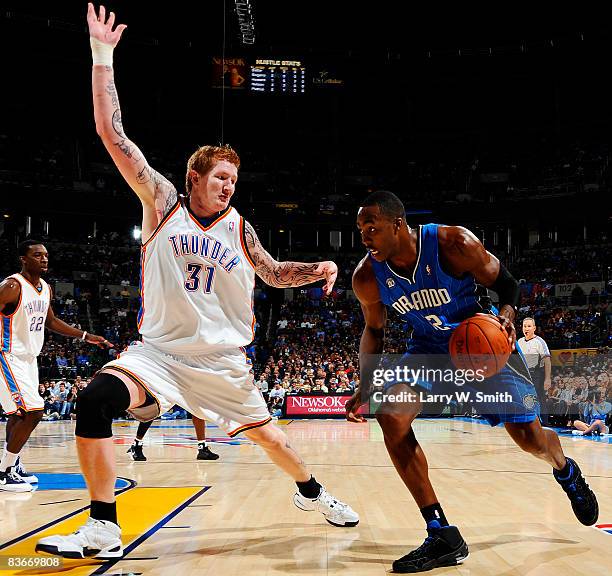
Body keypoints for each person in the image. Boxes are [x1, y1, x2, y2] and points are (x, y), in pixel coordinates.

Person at [36, 4, 358, 559]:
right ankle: (104, 526)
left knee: (273, 440)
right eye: (222, 177)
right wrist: (102, 56)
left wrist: (320, 268)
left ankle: (314, 493)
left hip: (221, 361)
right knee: (94, 400)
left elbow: (275, 274)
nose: (230, 186)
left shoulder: (240, 228)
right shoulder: (163, 204)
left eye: (235, 179)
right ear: (196, 178)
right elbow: (111, 134)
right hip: (158, 353)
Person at [345, 191, 598, 573]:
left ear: (398, 225)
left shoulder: (452, 243)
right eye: (360, 229)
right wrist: (365, 382)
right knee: (391, 415)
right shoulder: (367, 277)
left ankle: (565, 468)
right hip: (430, 351)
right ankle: (440, 532)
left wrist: (509, 315)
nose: (364, 236)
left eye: (371, 227)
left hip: (482, 346)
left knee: (530, 440)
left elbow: (507, 284)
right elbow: (374, 330)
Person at [0, 240, 111, 493]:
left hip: (28, 358)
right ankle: (3, 472)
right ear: (23, 259)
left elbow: (50, 321)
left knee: (17, 414)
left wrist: (86, 336)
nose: (44, 259)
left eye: (46, 255)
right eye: (37, 255)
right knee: (35, 411)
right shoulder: (12, 286)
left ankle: (12, 464)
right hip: (7, 354)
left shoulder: (45, 287)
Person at [127, 415, 219, 461]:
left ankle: (202, 448)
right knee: (153, 410)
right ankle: (136, 444)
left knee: (197, 411)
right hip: (170, 380)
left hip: (186, 381)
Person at [517, 317, 552, 425]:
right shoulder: (520, 341)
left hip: (537, 374)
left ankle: (544, 422)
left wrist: (547, 379)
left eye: (529, 326)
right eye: (524, 326)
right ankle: (527, 421)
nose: (526, 328)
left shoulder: (539, 342)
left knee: (539, 398)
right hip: (523, 374)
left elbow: (547, 361)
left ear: (534, 328)